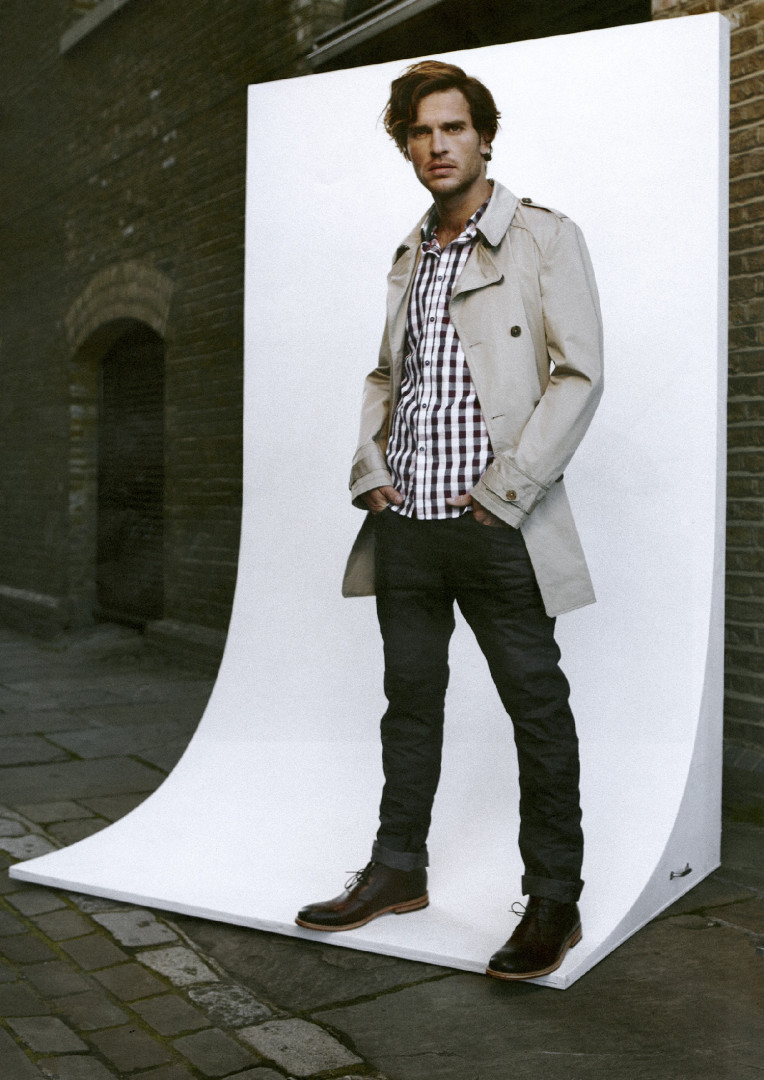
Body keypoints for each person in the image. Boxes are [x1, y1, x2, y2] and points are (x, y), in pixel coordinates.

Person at [296, 60, 603, 980]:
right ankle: (398, 869)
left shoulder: (544, 237)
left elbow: (579, 375)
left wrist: (505, 493)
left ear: (485, 137)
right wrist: (371, 472)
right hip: (408, 524)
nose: (438, 145)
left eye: (454, 128)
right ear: (406, 146)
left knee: (536, 709)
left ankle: (554, 900)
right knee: (409, 704)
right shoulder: (411, 252)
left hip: (494, 526)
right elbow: (387, 375)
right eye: (420, 132)